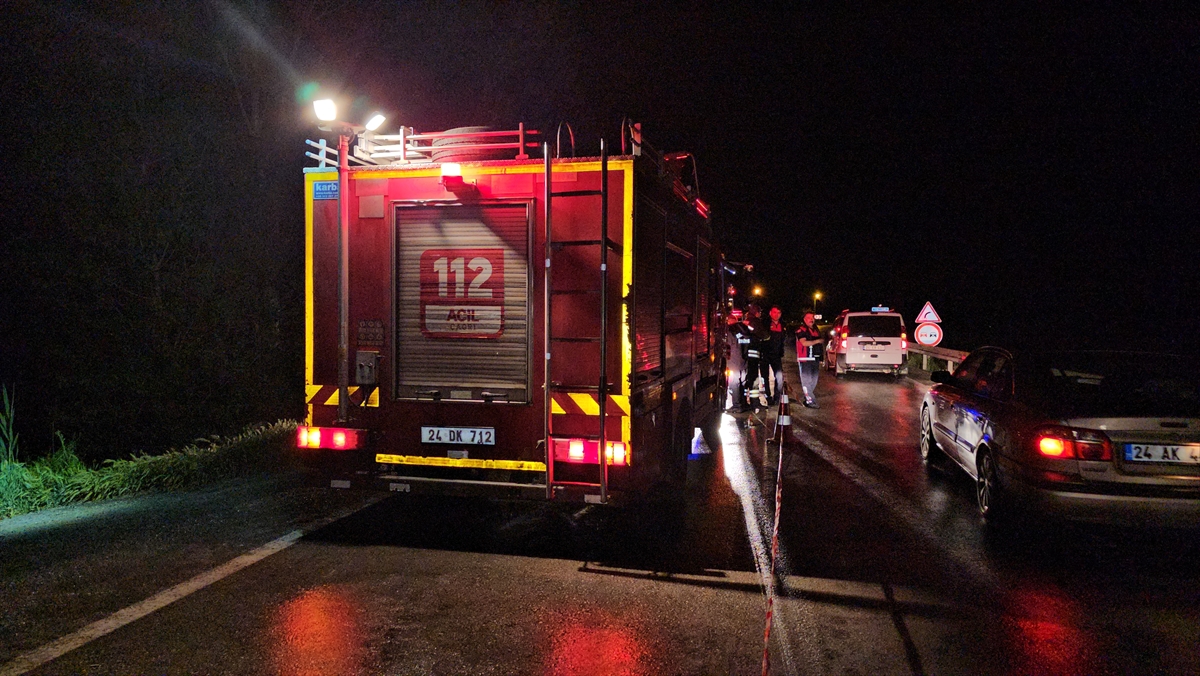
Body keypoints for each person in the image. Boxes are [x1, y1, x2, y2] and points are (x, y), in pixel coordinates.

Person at [741, 304, 768, 411]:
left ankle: (743, 402)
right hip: (753, 354)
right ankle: (755, 402)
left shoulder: (743, 322)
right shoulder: (756, 322)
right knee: (754, 378)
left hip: (743, 355)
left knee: (745, 379)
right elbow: (765, 336)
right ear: (757, 312)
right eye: (760, 312)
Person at [795, 311, 824, 408]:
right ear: (804, 319)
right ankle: (811, 401)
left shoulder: (816, 330)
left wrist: (821, 358)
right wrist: (817, 341)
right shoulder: (801, 330)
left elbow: (820, 346)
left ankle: (807, 398)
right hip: (805, 359)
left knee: (814, 381)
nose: (811, 319)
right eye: (808, 318)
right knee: (806, 381)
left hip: (815, 359)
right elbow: (804, 343)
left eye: (812, 317)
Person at [723, 311, 751, 411]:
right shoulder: (745, 329)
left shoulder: (730, 330)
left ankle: (737, 405)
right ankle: (744, 404)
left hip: (734, 360)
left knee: (734, 383)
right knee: (743, 383)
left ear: (729, 321)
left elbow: (728, 344)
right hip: (744, 360)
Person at [761, 306, 786, 405]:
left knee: (779, 377)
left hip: (776, 355)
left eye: (779, 312)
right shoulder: (764, 323)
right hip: (764, 354)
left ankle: (777, 397)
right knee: (765, 377)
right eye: (774, 312)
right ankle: (768, 396)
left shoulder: (783, 324)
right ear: (770, 313)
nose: (777, 315)